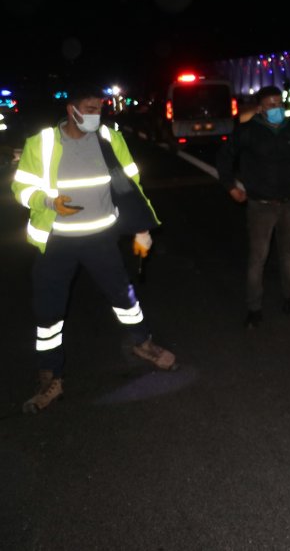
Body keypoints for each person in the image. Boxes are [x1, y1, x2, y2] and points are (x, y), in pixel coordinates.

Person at [11, 83, 176, 414]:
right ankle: (50, 377)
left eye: (98, 109)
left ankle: (143, 343)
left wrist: (142, 227)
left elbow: (130, 184)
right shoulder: (41, 144)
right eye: (88, 109)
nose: (94, 115)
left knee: (125, 297)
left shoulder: (110, 139)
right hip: (57, 240)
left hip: (101, 237)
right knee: (48, 313)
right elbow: (21, 188)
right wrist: (48, 200)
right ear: (70, 109)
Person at [216, 85, 290, 328]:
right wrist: (231, 187)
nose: (276, 108)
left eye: (279, 103)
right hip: (261, 205)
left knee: (289, 255)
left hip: (289, 202)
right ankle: (254, 308)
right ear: (260, 108)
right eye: (270, 105)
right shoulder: (248, 132)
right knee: (258, 258)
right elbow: (225, 157)